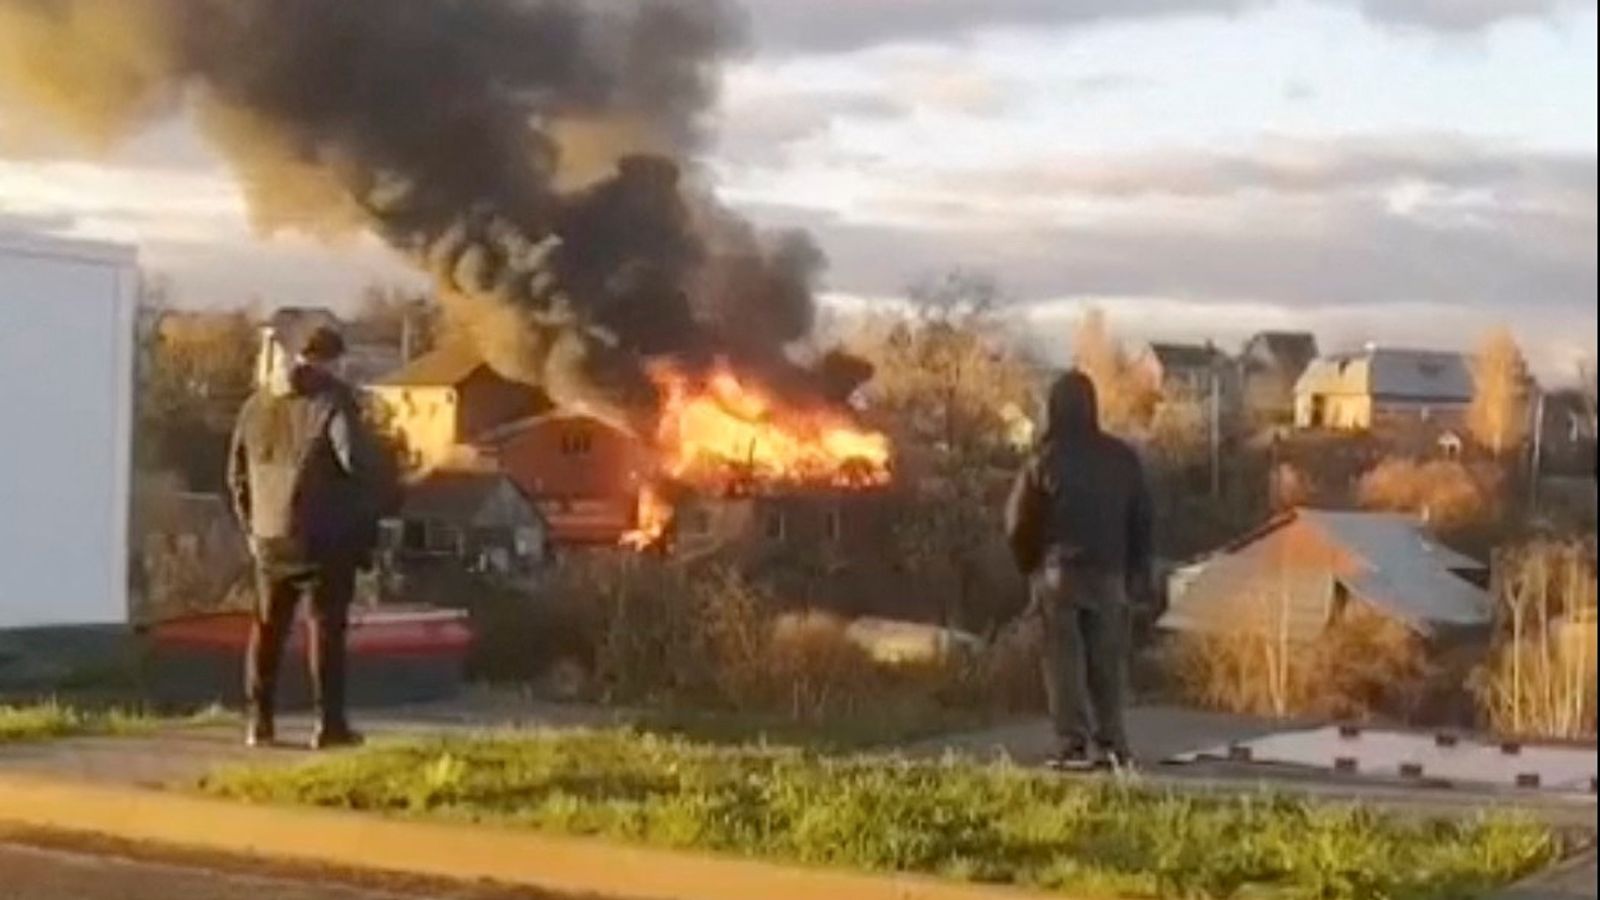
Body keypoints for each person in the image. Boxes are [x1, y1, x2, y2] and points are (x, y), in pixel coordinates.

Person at [228, 325, 391, 749]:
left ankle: (258, 723)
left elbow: (235, 476)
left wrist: (251, 528)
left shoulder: (255, 406)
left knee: (267, 629)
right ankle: (328, 726)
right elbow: (355, 461)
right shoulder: (332, 401)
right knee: (326, 631)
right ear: (331, 360)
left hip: (267, 536)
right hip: (323, 537)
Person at [1005, 370, 1153, 772]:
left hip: (1059, 575)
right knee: (1106, 661)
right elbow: (1142, 519)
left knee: (1063, 661)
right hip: (1110, 574)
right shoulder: (1122, 459)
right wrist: (1138, 571)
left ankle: (1072, 745)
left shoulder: (1044, 459)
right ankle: (1113, 743)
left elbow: (1019, 522)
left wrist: (1030, 567)